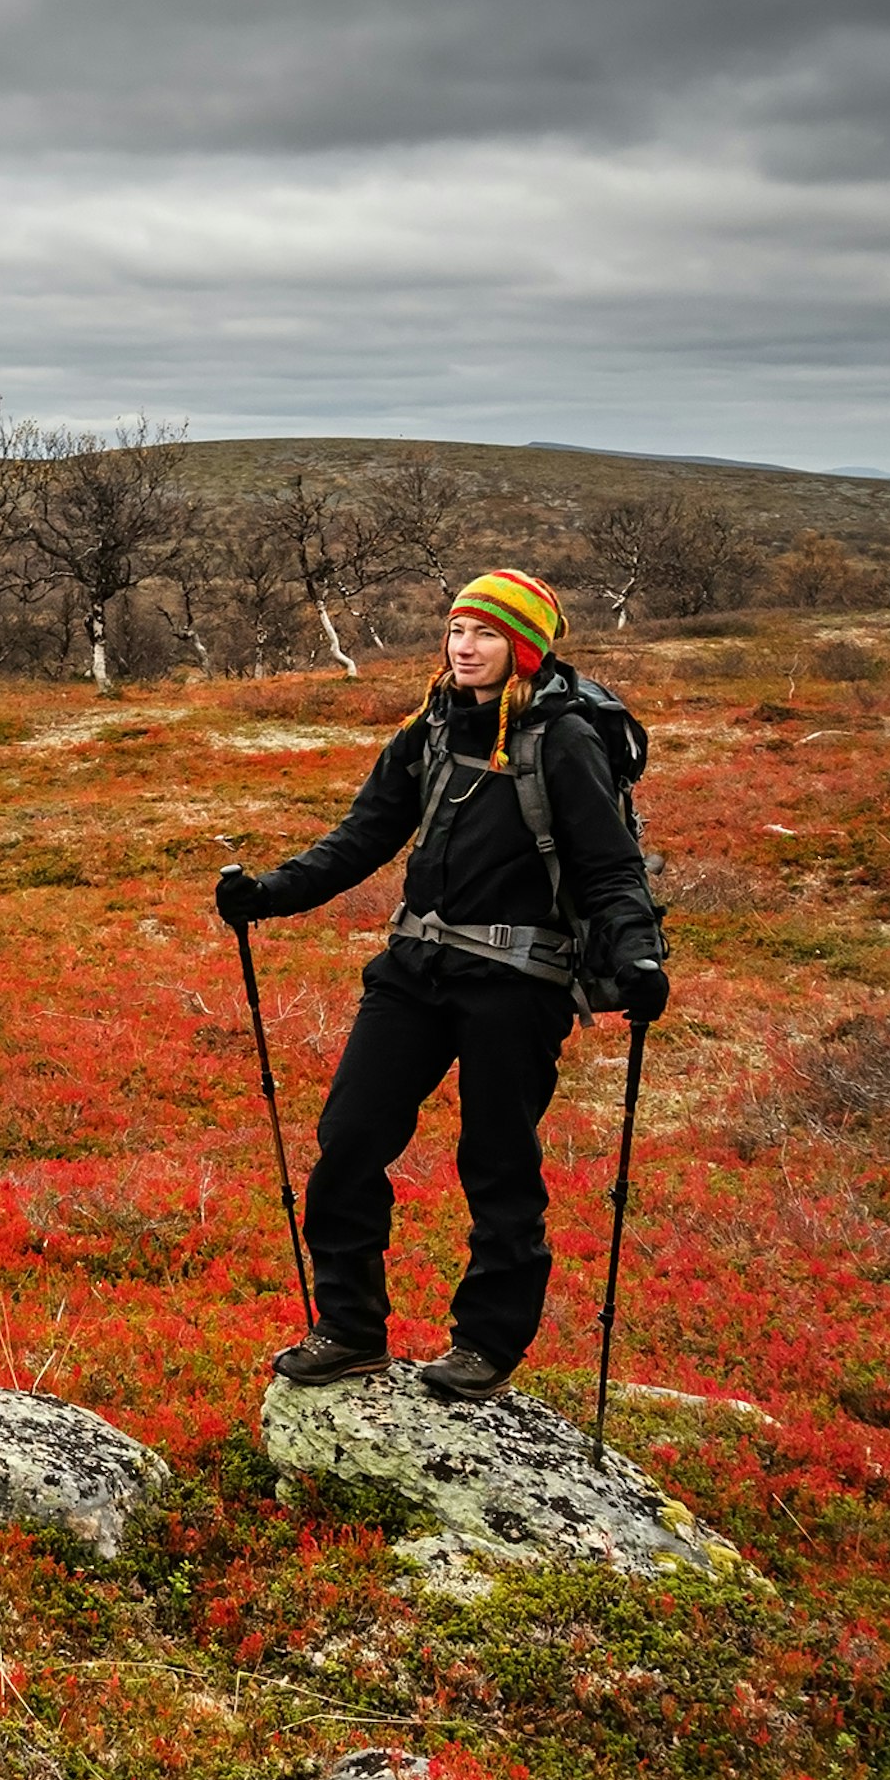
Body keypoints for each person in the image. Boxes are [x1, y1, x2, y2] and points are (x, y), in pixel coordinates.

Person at [214, 569, 668, 1401]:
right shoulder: (430, 724)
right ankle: (350, 1329)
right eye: (458, 629)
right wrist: (270, 894)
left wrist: (639, 954)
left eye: (485, 633)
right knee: (348, 1140)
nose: (464, 646)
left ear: (523, 648)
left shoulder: (561, 738)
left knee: (495, 1164)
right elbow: (363, 836)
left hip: (516, 983)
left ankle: (486, 1346)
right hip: (414, 971)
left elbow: (610, 868)